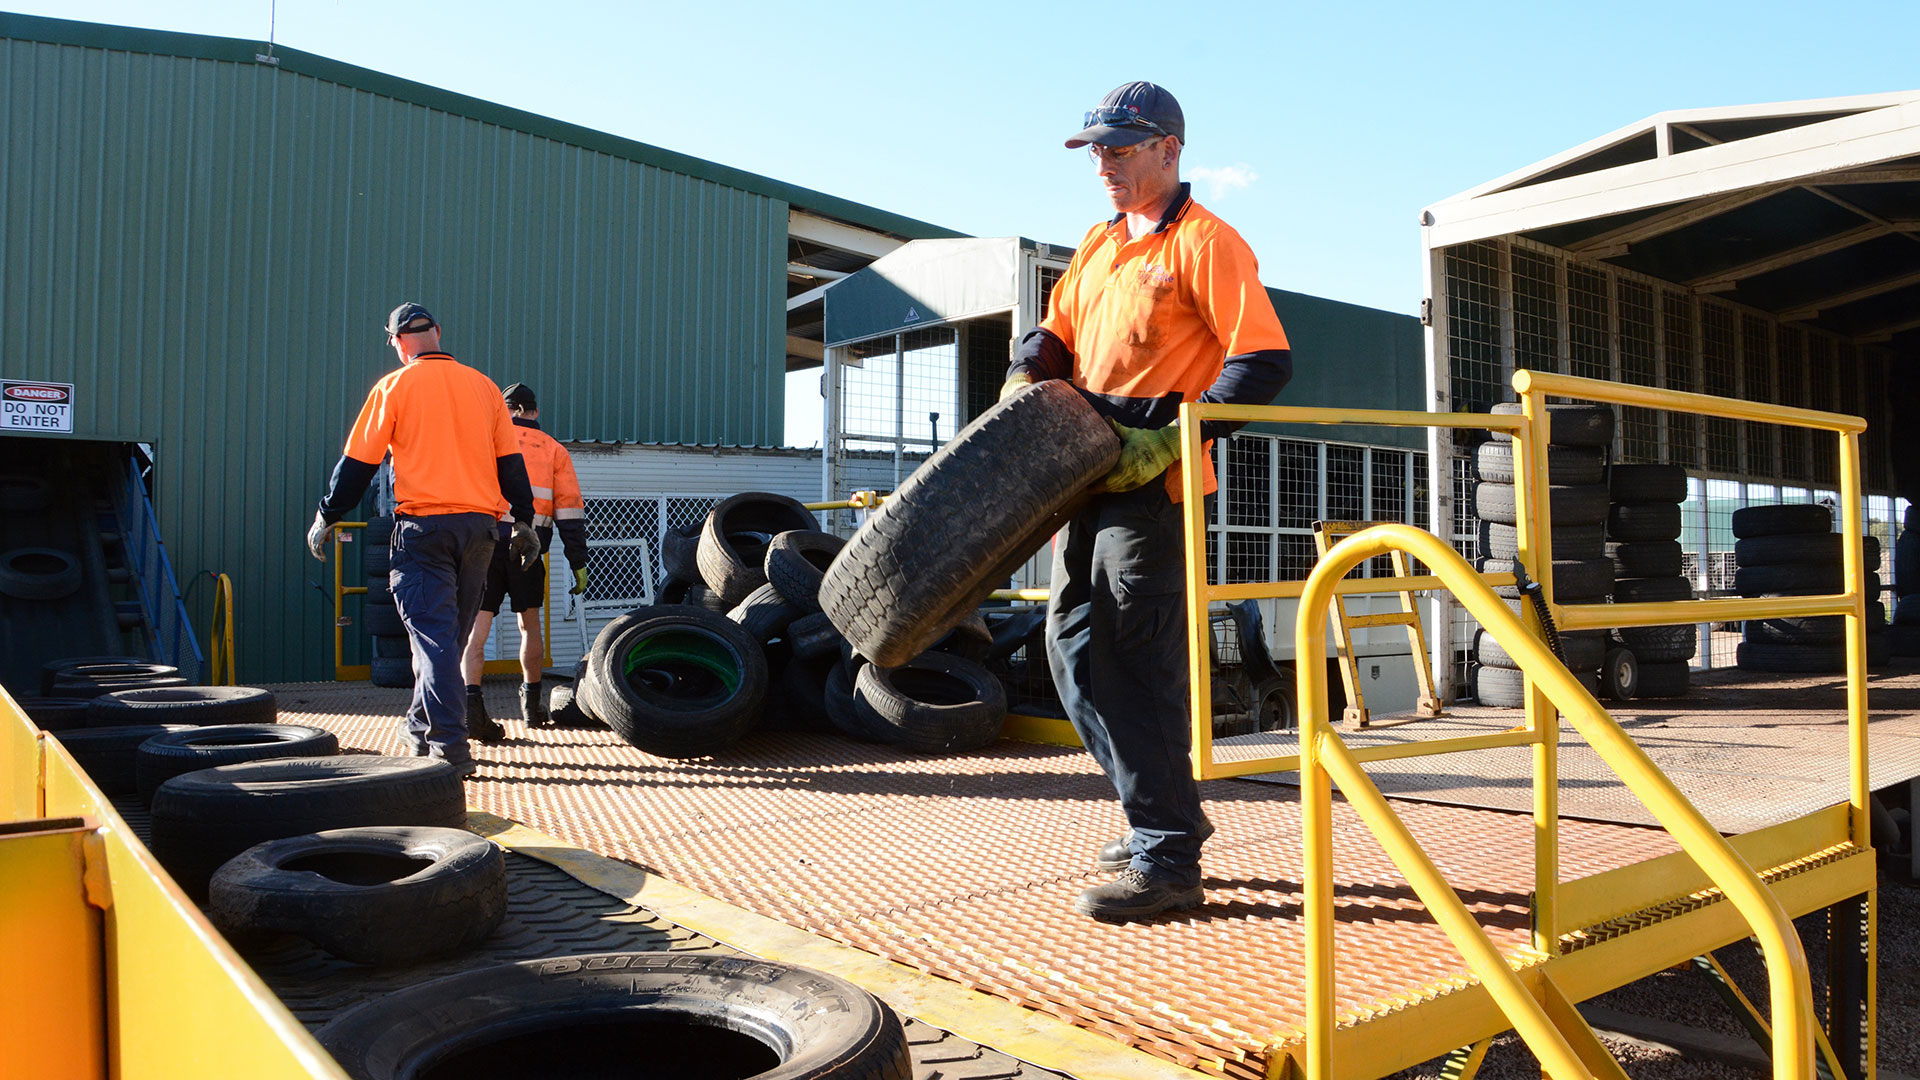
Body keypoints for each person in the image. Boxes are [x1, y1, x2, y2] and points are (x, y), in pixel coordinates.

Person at [1003, 82, 1293, 920]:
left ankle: (1166, 859)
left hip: (1155, 482)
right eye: (1096, 149)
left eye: (1120, 148)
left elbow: (1263, 362)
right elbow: (1054, 332)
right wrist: (1030, 370)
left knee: (1134, 660)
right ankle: (1157, 819)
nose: (1104, 163)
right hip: (1085, 474)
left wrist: (1173, 441)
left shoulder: (1206, 242)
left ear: (1169, 149)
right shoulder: (1099, 243)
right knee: (1071, 654)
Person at [307, 303, 538, 778]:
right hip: (480, 531)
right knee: (447, 640)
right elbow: (510, 466)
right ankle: (418, 726)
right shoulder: (484, 387)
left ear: (395, 342)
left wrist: (327, 515)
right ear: (437, 331)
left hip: (424, 530)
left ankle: (450, 746)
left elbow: (358, 464)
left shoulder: (393, 387)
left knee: (433, 639)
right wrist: (526, 522)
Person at [460, 382, 591, 731]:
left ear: (504, 411)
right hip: (529, 552)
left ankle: (472, 707)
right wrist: (578, 561)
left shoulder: (485, 443)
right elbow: (570, 512)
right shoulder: (554, 450)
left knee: (477, 629)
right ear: (534, 411)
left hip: (484, 548)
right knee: (529, 625)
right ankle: (533, 709)